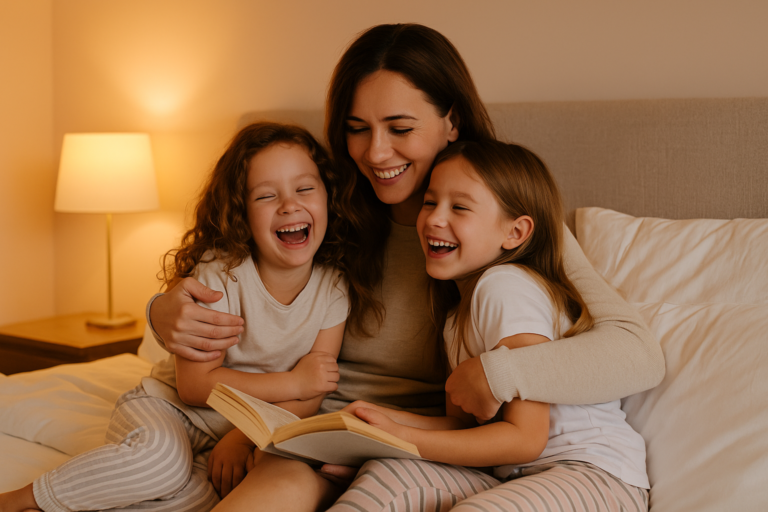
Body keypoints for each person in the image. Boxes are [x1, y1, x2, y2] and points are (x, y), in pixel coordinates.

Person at [148, 24, 664, 511]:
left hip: (432, 444)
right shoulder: (325, 206)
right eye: (356, 129)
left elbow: (638, 354)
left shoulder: (497, 226)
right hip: (319, 427)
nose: (375, 152)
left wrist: (498, 373)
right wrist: (160, 311)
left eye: (400, 128)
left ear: (452, 121)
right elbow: (231, 264)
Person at [0, 122, 349, 512]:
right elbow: (196, 386)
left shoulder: (333, 288)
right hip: (169, 409)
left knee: (194, 498)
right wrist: (291, 381)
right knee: (160, 466)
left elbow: (314, 392)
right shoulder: (221, 274)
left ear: (327, 195)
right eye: (267, 195)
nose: (289, 205)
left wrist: (243, 437)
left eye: (304, 188)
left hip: (230, 434)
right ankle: (16, 501)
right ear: (242, 213)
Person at [327, 139, 650, 511]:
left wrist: (405, 437)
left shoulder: (505, 287)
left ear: (514, 233)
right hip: (517, 476)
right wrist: (379, 426)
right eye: (430, 202)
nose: (434, 218)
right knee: (385, 476)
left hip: (595, 477)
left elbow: (526, 438)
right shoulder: (454, 316)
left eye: (459, 207)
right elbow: (465, 429)